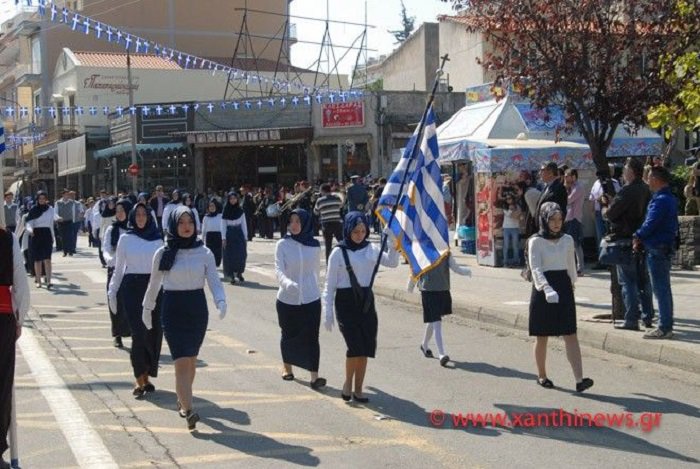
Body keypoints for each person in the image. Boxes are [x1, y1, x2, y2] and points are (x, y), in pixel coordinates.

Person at [142, 206, 227, 430]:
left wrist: (221, 300)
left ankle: (183, 398)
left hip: (197, 309)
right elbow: (154, 285)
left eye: (189, 221)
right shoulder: (163, 253)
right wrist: (147, 308)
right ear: (173, 225)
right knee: (181, 362)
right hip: (173, 309)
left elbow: (214, 281)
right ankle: (189, 411)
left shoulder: (205, 252)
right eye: (181, 222)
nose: (186, 226)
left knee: (191, 362)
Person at [322, 212, 399, 403]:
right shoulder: (338, 252)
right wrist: (327, 311)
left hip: (365, 301)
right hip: (345, 302)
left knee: (365, 346)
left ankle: (358, 388)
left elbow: (392, 262)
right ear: (348, 230)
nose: (359, 235)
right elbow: (329, 285)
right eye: (356, 231)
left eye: (363, 230)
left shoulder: (371, 248)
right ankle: (348, 383)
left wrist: (391, 241)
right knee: (354, 345)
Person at [528, 202, 593, 392]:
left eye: (559, 219)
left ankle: (580, 379)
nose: (556, 224)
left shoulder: (567, 239)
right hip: (543, 289)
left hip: (563, 286)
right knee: (542, 335)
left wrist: (572, 283)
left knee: (570, 333)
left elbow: (570, 264)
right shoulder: (535, 241)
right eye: (552, 220)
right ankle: (542, 375)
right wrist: (546, 289)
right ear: (544, 220)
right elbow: (536, 268)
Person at [107, 202, 164, 397]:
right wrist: (112, 291)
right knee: (138, 334)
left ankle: (147, 374)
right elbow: (119, 268)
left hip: (154, 287)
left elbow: (164, 270)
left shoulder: (158, 239)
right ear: (133, 217)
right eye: (137, 214)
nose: (140, 218)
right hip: (132, 288)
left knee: (153, 333)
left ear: (149, 217)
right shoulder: (125, 238)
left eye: (144, 214)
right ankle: (139, 379)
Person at [274, 209, 326, 389]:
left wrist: (319, 291)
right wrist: (287, 283)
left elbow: (317, 271)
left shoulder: (314, 245)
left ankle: (314, 376)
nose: (294, 225)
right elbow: (278, 269)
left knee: (312, 336)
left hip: (311, 298)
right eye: (291, 221)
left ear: (306, 223)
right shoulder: (282, 244)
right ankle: (287, 368)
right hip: (287, 298)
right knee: (288, 334)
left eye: (298, 221)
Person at [605, 158, 654, 331]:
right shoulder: (646, 189)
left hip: (625, 239)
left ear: (631, 171)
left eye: (625, 168)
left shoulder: (627, 191)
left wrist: (608, 206)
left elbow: (610, 214)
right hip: (642, 238)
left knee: (628, 281)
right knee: (643, 281)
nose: (623, 171)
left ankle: (631, 319)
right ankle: (648, 316)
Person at [634, 166, 679, 340]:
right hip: (663, 247)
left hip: (657, 247)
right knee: (664, 289)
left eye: (650, 176)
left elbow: (650, 223)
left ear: (657, 179)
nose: (647, 179)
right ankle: (666, 324)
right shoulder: (669, 198)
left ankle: (664, 327)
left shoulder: (660, 200)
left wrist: (637, 235)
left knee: (660, 289)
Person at [0, 218, 30, 469]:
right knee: (1, 384)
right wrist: (19, 317)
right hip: (2, 319)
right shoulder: (6, 239)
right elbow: (20, 284)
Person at [408, 252, 471, 367]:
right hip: (428, 290)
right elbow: (415, 270)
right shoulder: (423, 251)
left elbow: (455, 267)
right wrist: (410, 286)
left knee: (433, 321)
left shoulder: (446, 253)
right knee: (437, 322)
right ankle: (442, 354)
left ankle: (424, 345)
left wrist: (466, 272)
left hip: (442, 289)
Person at [102, 199, 134, 348]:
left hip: (131, 270)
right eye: (118, 211)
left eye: (123, 210)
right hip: (115, 269)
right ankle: (117, 334)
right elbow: (106, 249)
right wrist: (111, 261)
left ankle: (134, 332)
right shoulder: (111, 229)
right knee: (114, 301)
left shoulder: (134, 229)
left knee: (131, 303)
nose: (120, 213)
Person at [25, 191, 56, 289]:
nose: (42, 200)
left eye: (43, 198)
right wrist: (30, 230)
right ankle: (38, 281)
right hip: (36, 234)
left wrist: (59, 218)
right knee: (37, 260)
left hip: (47, 234)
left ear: (46, 199)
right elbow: (29, 222)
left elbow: (54, 217)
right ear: (37, 200)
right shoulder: (34, 209)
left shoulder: (50, 209)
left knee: (47, 259)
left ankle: (49, 280)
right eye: (40, 198)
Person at [221, 192, 248, 284]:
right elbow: (223, 225)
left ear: (237, 199)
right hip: (229, 234)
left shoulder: (240, 210)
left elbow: (244, 224)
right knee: (230, 255)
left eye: (234, 198)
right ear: (228, 200)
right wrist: (223, 238)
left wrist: (245, 237)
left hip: (239, 234)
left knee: (241, 254)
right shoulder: (225, 210)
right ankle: (231, 275)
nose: (233, 200)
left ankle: (239, 273)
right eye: (231, 198)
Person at [563, 169, 585, 275]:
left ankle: (580, 268)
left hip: (575, 218)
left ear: (574, 176)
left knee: (576, 244)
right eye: (565, 176)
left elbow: (568, 200)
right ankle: (571, 267)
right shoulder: (569, 187)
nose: (566, 178)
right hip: (568, 218)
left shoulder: (578, 187)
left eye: (568, 176)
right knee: (569, 244)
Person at [314, 183, 343, 262]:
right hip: (337, 223)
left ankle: (328, 262)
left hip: (326, 224)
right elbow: (340, 206)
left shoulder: (320, 200)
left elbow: (315, 212)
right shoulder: (337, 198)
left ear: (323, 191)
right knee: (342, 241)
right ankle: (346, 258)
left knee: (328, 245)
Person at [534, 162, 568, 228]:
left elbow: (561, 211)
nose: (539, 173)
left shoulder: (559, 188)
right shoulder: (547, 187)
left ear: (550, 173)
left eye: (542, 170)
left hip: (551, 231)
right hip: (543, 229)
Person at [502, 193, 523, 267]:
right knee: (506, 245)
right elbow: (511, 215)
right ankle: (505, 261)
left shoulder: (517, 206)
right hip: (506, 228)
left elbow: (520, 216)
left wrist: (516, 214)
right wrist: (513, 211)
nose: (508, 200)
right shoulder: (505, 207)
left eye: (510, 198)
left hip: (515, 227)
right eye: (507, 199)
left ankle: (516, 261)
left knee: (515, 245)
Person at [55, 189, 78, 257]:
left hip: (69, 221)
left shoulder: (71, 202)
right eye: (65, 194)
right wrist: (58, 218)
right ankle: (65, 251)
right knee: (63, 237)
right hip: (61, 222)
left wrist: (73, 220)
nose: (67, 196)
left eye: (68, 194)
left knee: (70, 236)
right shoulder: (58, 202)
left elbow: (73, 211)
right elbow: (55, 212)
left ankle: (70, 251)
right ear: (63, 195)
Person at [202, 199, 224, 267]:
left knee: (218, 255)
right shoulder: (206, 217)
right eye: (210, 206)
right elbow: (204, 229)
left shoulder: (220, 216)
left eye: (213, 206)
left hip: (218, 236)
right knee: (210, 254)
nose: (212, 207)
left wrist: (224, 237)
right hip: (209, 237)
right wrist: (202, 239)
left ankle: (216, 265)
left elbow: (223, 227)